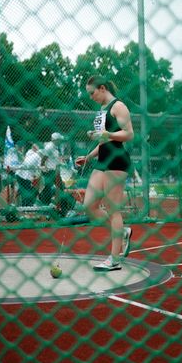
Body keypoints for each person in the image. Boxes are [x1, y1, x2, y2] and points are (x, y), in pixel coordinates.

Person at [75, 76, 134, 271]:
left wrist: (108, 134)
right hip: (102, 161)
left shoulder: (118, 106)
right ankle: (122, 232)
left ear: (102, 88)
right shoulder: (101, 110)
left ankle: (114, 260)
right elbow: (103, 142)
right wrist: (88, 157)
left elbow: (129, 134)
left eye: (92, 93)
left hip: (117, 160)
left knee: (112, 208)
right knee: (89, 205)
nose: (90, 97)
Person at [39, 132, 65, 205]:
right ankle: (45, 204)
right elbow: (44, 158)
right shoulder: (49, 147)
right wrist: (43, 167)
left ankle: (54, 204)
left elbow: (54, 159)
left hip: (54, 171)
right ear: (55, 140)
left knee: (58, 187)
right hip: (49, 171)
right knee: (48, 189)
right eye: (59, 140)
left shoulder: (55, 147)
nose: (60, 141)